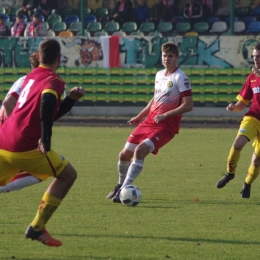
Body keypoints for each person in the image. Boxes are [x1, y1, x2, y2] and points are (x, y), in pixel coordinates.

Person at [0, 38, 85, 246]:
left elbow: (46, 113)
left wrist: (70, 100)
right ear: (59, 58)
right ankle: (37, 228)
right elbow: (47, 104)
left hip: (3, 140)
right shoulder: (54, 81)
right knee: (67, 175)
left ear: (38, 57)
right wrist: (45, 138)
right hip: (25, 145)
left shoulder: (30, 77)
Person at [106, 42, 193, 203]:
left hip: (166, 126)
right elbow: (155, 99)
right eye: (164, 55)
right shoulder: (159, 75)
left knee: (140, 150)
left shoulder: (181, 78)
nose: (167, 59)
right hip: (149, 122)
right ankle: (119, 186)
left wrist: (166, 114)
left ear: (177, 58)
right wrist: (140, 116)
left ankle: (124, 190)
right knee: (123, 155)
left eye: (170, 56)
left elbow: (188, 105)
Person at [216, 43, 260, 199]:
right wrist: (233, 108)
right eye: (254, 57)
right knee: (237, 144)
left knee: (256, 161)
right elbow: (243, 104)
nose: (256, 60)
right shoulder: (252, 78)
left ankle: (247, 184)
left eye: (259, 57)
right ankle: (230, 173)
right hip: (253, 116)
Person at [0, 51, 43, 193]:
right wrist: (14, 130)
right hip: (8, 133)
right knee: (45, 168)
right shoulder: (27, 81)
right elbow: (7, 103)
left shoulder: (29, 81)